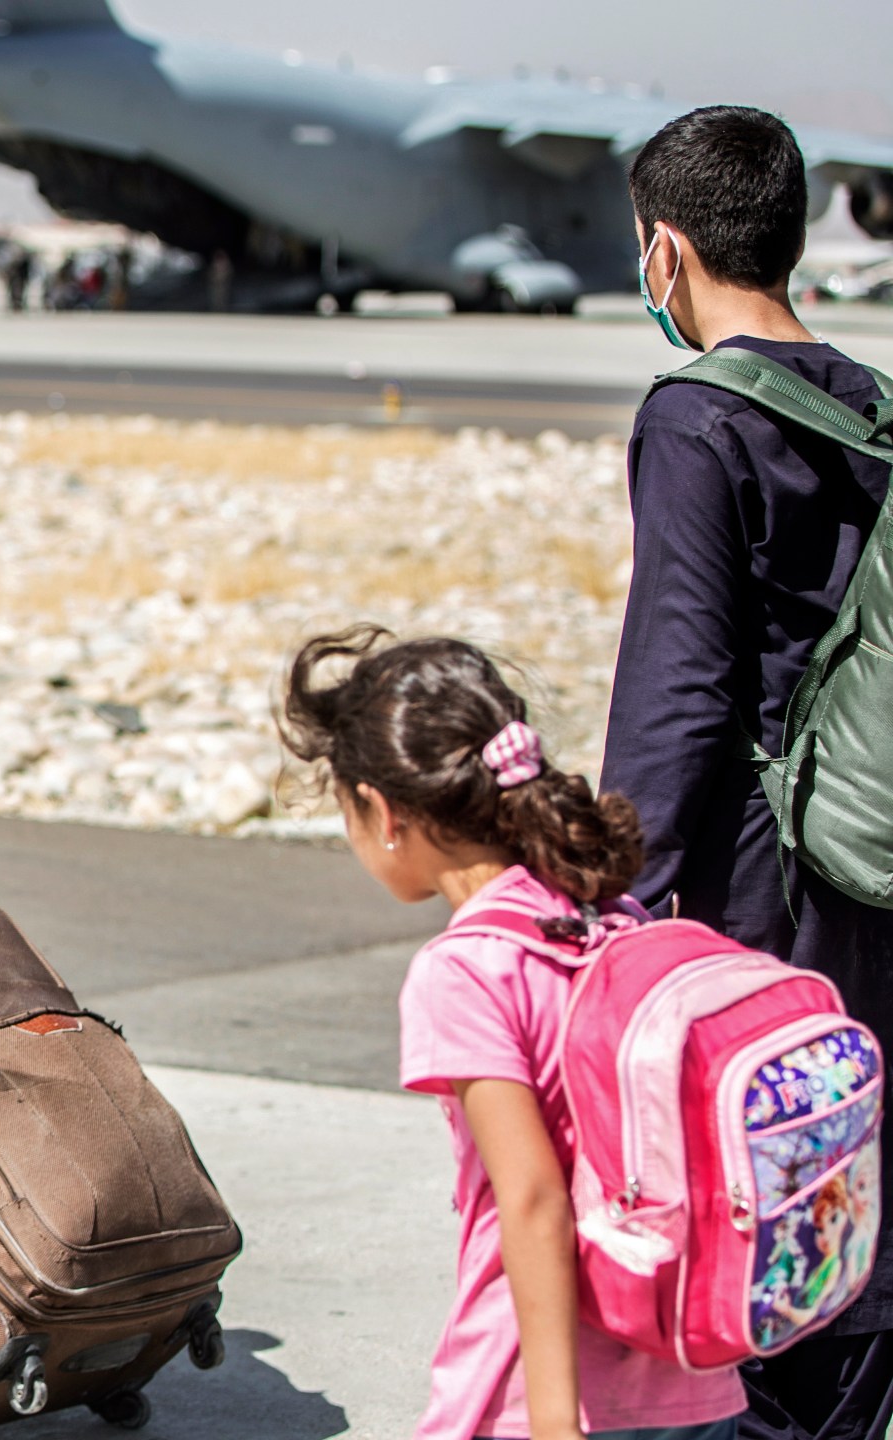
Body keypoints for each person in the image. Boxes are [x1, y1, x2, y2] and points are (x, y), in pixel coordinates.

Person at [598, 105, 893, 1440]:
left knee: (763, 1197)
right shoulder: (875, 407)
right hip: (873, 849)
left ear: (667, 253)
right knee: (862, 1168)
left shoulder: (697, 421)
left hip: (761, 881)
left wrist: (619, 909)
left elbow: (679, 688)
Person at [281, 627, 746, 1440]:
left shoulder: (467, 968)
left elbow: (532, 1200)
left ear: (384, 813)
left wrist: (554, 1421)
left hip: (540, 1393)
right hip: (694, 1377)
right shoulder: (610, 917)